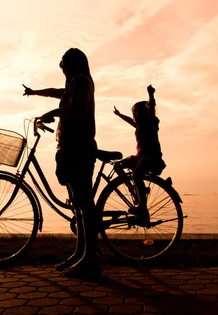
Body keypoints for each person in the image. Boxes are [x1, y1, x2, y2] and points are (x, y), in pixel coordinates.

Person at [23, 48, 100, 278]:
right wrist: (36, 92)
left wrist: (52, 113)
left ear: (74, 63)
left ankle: (90, 260)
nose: (62, 67)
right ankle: (80, 254)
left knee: (84, 204)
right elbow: (57, 93)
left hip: (79, 147)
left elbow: (73, 109)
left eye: (64, 63)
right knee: (77, 205)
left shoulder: (81, 81)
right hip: (70, 147)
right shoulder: (74, 83)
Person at [112, 85, 166, 225]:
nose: (133, 116)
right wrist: (119, 114)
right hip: (140, 156)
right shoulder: (139, 126)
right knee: (118, 165)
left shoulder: (151, 123)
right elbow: (129, 121)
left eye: (135, 113)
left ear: (142, 113)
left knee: (137, 174)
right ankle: (133, 189)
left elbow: (152, 108)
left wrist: (151, 95)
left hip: (151, 156)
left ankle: (141, 205)